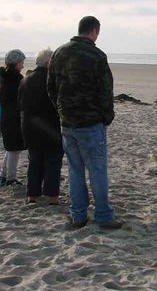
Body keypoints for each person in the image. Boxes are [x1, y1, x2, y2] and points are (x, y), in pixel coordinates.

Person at [48, 16, 122, 229]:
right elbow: (106, 91)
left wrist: (62, 110)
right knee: (97, 170)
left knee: (75, 169)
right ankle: (103, 216)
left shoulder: (59, 53)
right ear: (93, 31)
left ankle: (78, 214)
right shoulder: (96, 56)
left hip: (68, 122)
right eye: (97, 33)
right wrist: (107, 118)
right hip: (90, 122)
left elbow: (51, 87)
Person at [19, 48, 63, 205]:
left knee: (35, 162)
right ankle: (52, 197)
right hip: (50, 127)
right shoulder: (53, 80)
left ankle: (33, 195)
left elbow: (21, 104)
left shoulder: (25, 80)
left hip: (30, 127)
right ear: (48, 62)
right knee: (52, 162)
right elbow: (58, 104)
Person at [0, 49, 26, 187]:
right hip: (13, 117)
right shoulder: (14, 80)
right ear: (16, 63)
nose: (23, 66)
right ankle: (10, 177)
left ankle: (4, 174)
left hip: (7, 116)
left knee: (11, 148)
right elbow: (18, 100)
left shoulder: (3, 78)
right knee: (14, 148)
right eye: (21, 63)